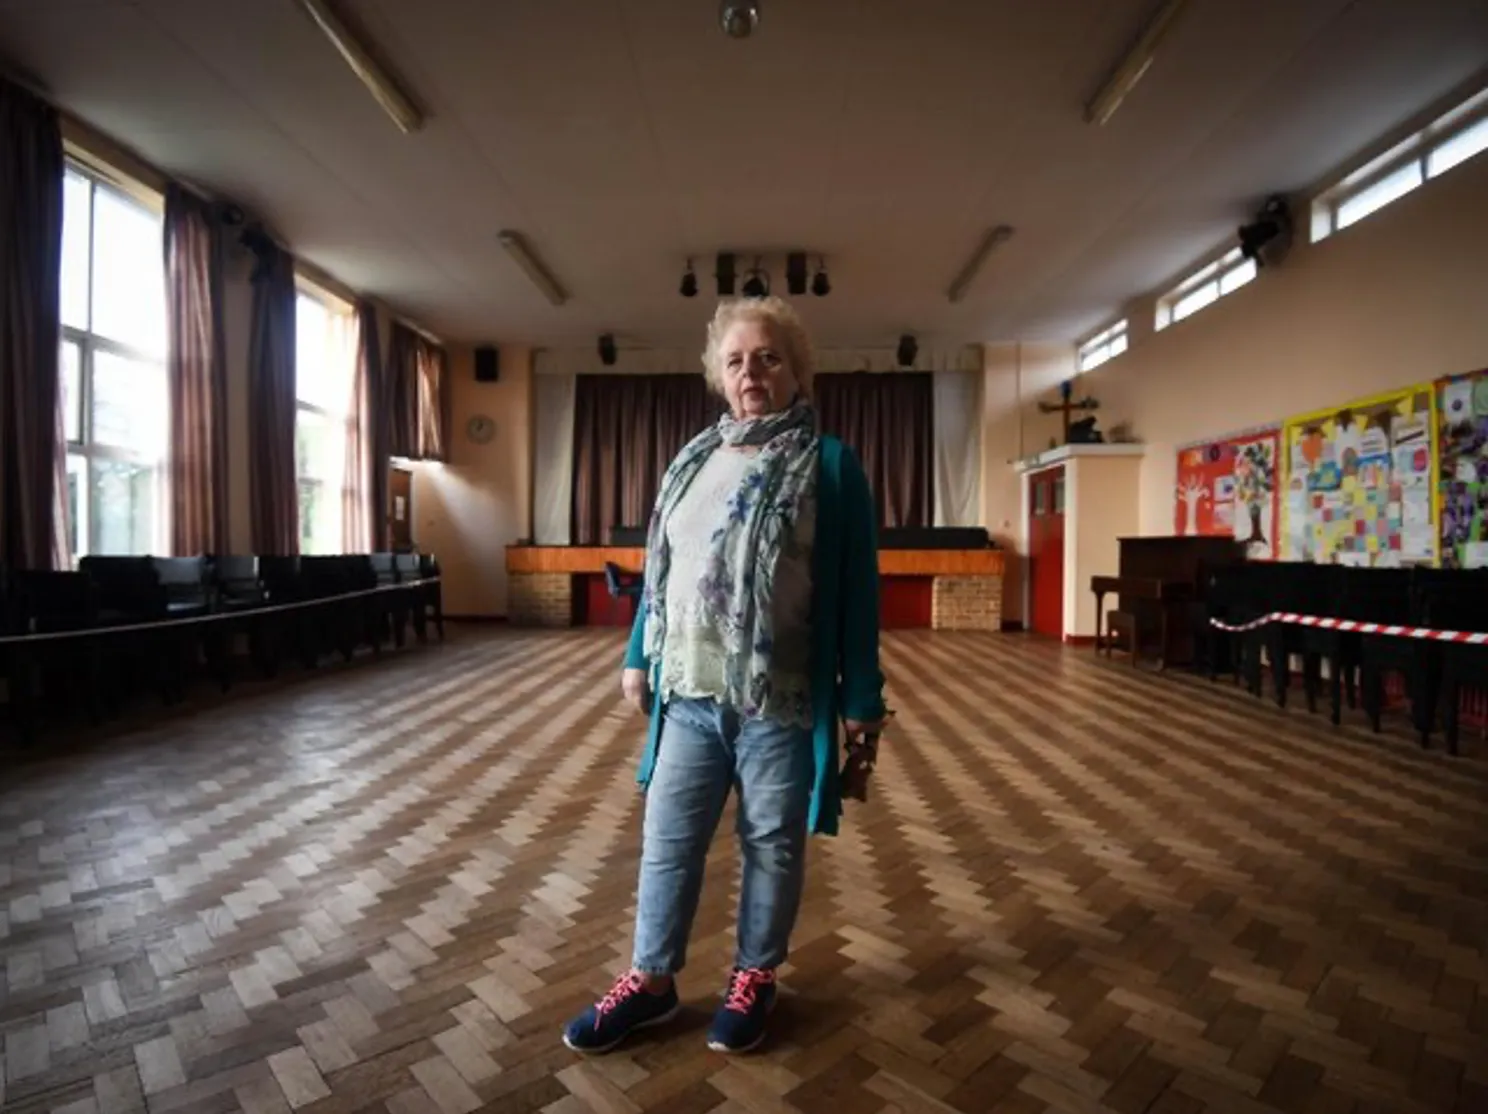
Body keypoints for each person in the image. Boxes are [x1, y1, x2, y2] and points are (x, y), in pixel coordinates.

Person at [562, 295, 886, 1056]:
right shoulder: (692, 462)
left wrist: (863, 699)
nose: (752, 372)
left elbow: (858, 594)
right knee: (667, 841)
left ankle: (754, 976)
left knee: (771, 844)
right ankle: (650, 982)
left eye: (769, 357)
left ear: (796, 370)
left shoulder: (829, 465)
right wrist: (640, 651)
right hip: (689, 696)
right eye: (737, 359)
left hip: (780, 699)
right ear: (718, 374)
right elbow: (664, 573)